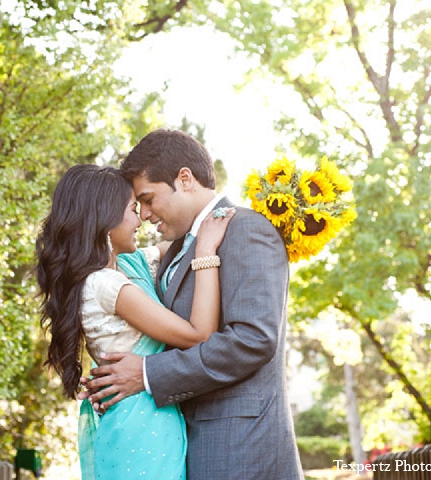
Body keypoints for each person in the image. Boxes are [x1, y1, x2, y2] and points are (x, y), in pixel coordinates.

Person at [80, 129, 305, 479]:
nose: (147, 214)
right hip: (182, 445)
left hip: (240, 447)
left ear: (184, 179)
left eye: (150, 199)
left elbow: (253, 339)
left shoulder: (246, 229)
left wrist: (146, 374)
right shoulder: (175, 252)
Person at [36, 164, 234, 479]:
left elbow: (179, 241)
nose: (142, 216)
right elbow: (199, 335)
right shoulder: (105, 284)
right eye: (132, 208)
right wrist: (207, 251)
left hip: (145, 417)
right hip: (140, 428)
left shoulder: (129, 265)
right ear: (104, 219)